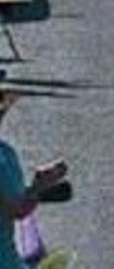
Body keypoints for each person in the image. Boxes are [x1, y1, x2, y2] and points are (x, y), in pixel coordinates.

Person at [0, 91, 70, 269]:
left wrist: (36, 187)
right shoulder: (5, 154)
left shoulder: (6, 153)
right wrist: (40, 186)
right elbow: (17, 209)